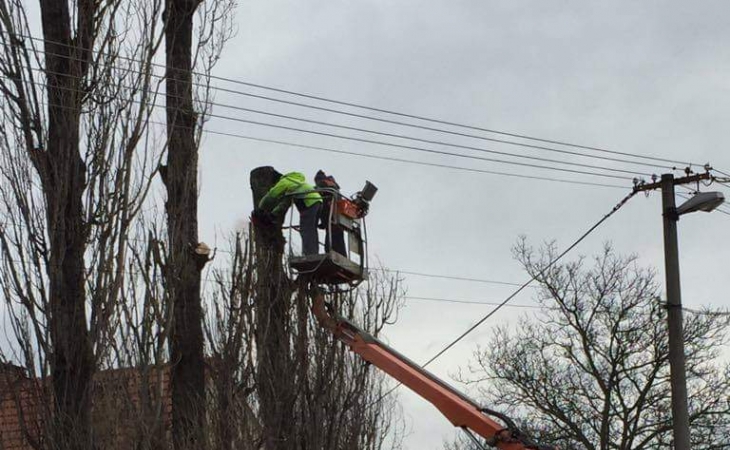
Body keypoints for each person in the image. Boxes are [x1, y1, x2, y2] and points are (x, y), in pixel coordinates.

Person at [257, 171, 322, 255]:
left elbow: (271, 195)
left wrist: (260, 208)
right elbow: (285, 204)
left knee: (306, 230)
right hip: (318, 201)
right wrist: (273, 214)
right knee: (311, 230)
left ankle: (309, 254)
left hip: (309, 203)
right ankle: (313, 252)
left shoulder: (284, 181)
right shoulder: (296, 183)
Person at [314, 170, 347, 256]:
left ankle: (329, 253)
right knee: (339, 237)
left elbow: (320, 197)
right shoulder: (332, 185)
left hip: (330, 214)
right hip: (337, 215)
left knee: (330, 237)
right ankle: (342, 255)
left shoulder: (323, 183)